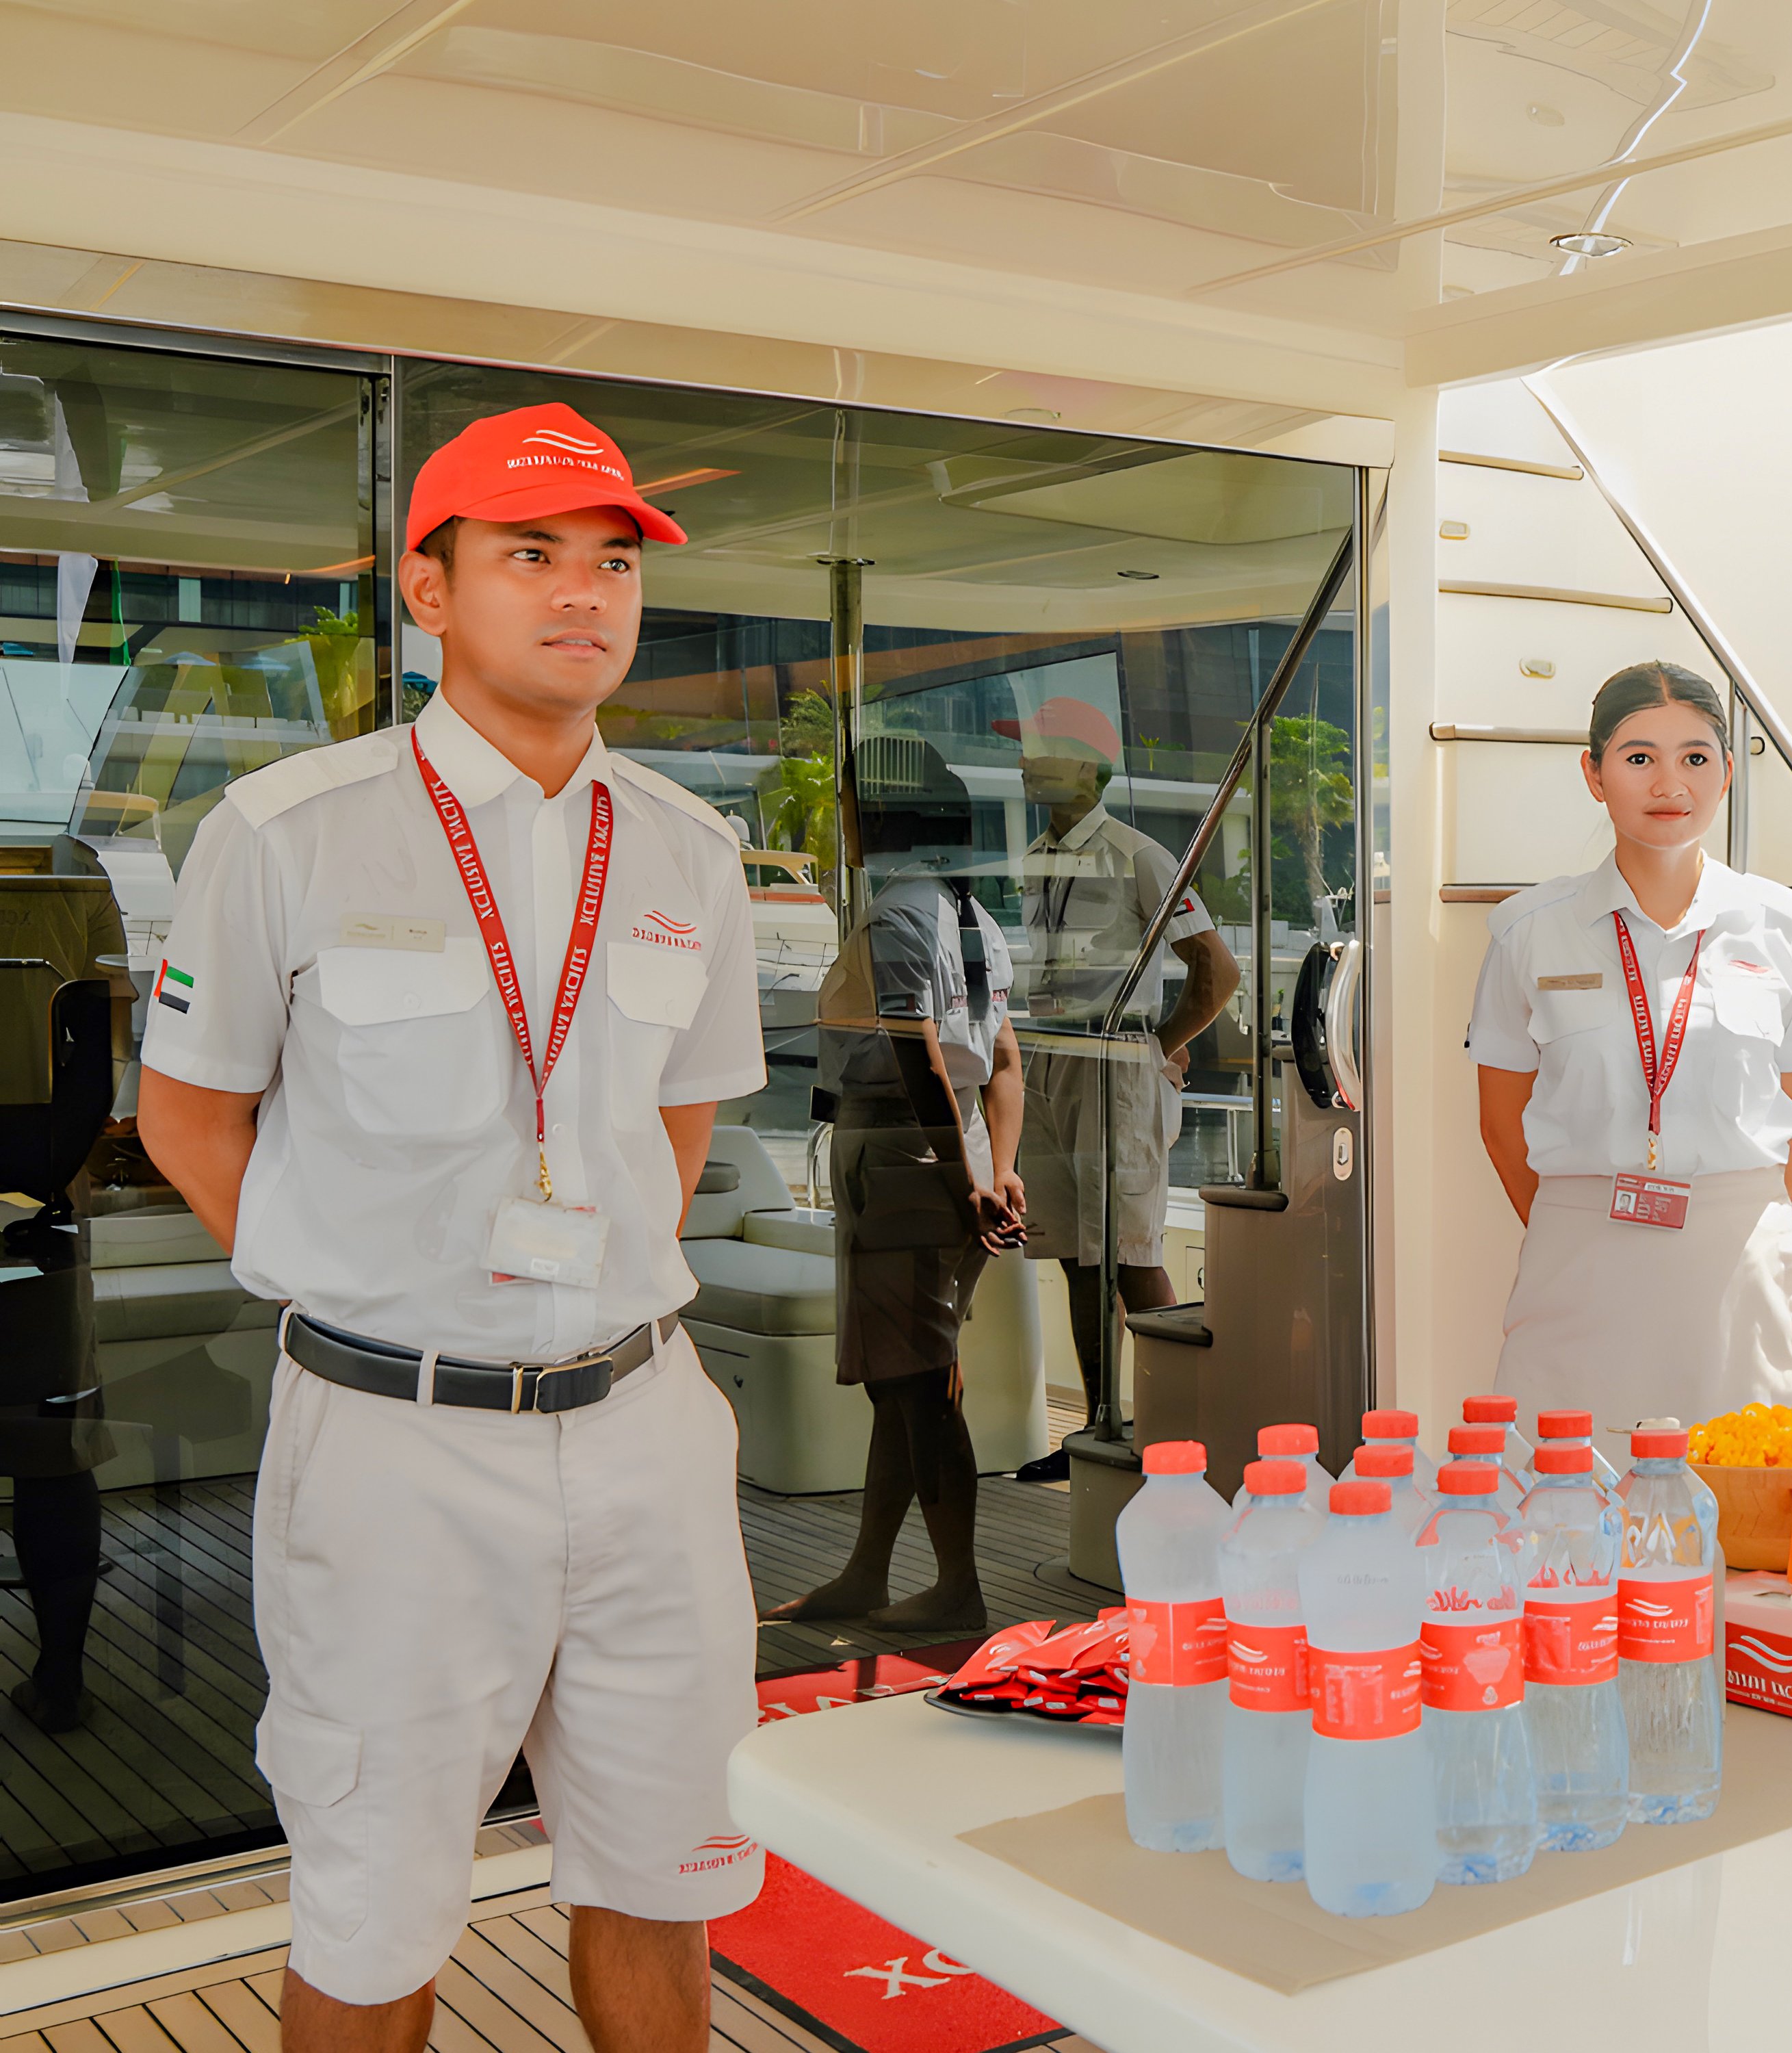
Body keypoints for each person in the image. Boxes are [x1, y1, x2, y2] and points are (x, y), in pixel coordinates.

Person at [135, 402, 764, 2051]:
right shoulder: (287, 832)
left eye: (612, 562)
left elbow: (673, 1127)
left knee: (663, 1869)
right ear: (429, 592)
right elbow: (188, 1116)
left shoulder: (692, 852)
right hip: (392, 1439)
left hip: (640, 1426)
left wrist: (572, 1282)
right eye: (531, 554)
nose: (584, 593)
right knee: (377, 1893)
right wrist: (368, 1281)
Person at [1468, 662, 1792, 1428]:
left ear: (1728, 772)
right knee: (1563, 1492)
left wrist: (1718, 1217)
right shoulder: (1530, 932)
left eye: (1695, 758)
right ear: (1595, 773)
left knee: (1740, 1500)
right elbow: (1501, 1126)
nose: (1669, 783)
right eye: (1639, 757)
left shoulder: (1788, 930)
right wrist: (1589, 1221)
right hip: (1580, 1258)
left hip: (1735, 1262)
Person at [770, 740, 1024, 1631]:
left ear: (880, 818)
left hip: (907, 1155)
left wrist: (962, 1185)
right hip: (957, 1151)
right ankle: (870, 1570)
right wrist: (1000, 1170)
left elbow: (917, 1067)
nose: (839, 819)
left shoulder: (896, 922)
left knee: (919, 1383)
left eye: (847, 804)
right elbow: (1004, 1063)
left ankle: (958, 1587)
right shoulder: (974, 920)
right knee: (905, 1373)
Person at [994, 696, 1237, 1468]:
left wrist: (1157, 1047)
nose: (1026, 764)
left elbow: (1217, 971)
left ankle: (1186, 1429)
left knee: (1130, 1251)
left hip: (1115, 1063)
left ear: (1088, 767)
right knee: (1073, 1252)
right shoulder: (1039, 854)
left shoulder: (1139, 855)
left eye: (1040, 751)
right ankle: (1098, 1430)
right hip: (1055, 1060)